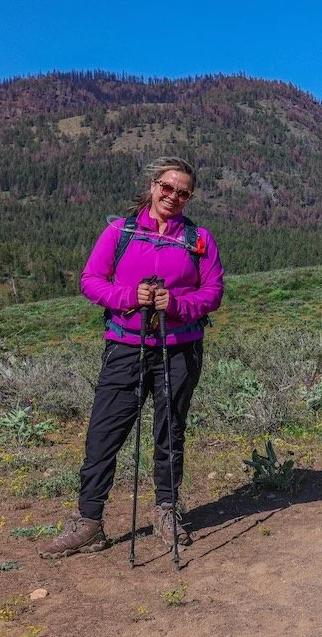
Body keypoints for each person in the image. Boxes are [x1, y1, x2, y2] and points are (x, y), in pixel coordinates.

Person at [39, 157, 224, 558]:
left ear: (190, 197)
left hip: (180, 348)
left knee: (170, 431)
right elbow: (91, 281)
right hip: (126, 345)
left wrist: (176, 304)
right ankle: (89, 522)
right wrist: (128, 297)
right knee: (104, 432)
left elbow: (213, 293)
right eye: (167, 187)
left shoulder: (199, 239)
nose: (173, 197)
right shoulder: (119, 232)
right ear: (153, 186)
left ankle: (166, 511)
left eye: (183, 193)